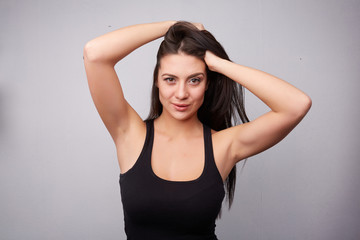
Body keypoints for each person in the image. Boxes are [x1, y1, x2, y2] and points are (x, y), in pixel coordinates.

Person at [83, 20, 311, 240]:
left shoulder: (223, 146)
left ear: (208, 83)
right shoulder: (130, 134)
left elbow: (296, 105)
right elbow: (94, 54)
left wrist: (219, 64)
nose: (181, 93)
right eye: (170, 79)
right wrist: (174, 26)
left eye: (194, 80)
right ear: (157, 81)